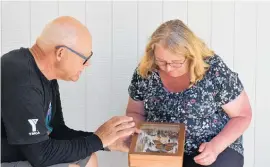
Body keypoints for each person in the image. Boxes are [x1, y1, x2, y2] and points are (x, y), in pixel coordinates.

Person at [1, 16, 138, 167]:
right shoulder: (21, 77)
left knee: (89, 157)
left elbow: (57, 132)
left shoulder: (46, 76)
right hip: (9, 159)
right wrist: (98, 140)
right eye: (85, 58)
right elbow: (40, 155)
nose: (88, 64)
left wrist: (107, 141)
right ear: (61, 53)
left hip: (30, 153)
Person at [125, 19, 252, 167]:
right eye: (161, 61)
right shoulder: (146, 70)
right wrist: (139, 133)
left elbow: (243, 115)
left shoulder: (213, 70)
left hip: (212, 146)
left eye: (176, 62)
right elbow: (134, 112)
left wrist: (216, 146)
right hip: (162, 147)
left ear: (191, 55)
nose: (168, 68)